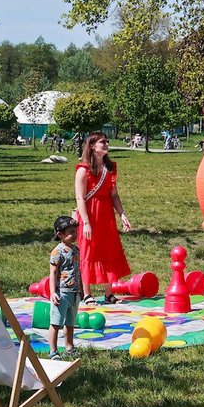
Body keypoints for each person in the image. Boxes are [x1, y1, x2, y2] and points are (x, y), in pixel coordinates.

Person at [74, 131, 132, 305]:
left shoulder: (110, 168)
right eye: (102, 142)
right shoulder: (83, 170)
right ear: (92, 146)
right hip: (89, 214)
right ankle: (86, 293)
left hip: (106, 215)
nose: (106, 144)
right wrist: (85, 223)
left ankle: (109, 293)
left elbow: (114, 195)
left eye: (106, 141)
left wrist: (122, 214)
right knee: (88, 252)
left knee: (108, 250)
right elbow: (79, 198)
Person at [48, 216, 80, 360]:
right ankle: (53, 351)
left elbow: (78, 270)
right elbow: (53, 273)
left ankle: (69, 347)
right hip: (62, 293)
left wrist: (82, 289)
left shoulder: (76, 249)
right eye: (71, 232)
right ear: (60, 234)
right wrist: (53, 292)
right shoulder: (57, 251)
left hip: (74, 292)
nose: (75, 234)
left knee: (70, 322)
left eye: (76, 231)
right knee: (56, 323)